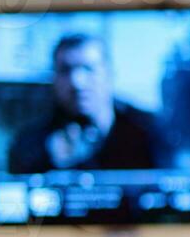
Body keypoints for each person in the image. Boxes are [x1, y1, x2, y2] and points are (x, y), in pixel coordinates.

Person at [8, 33, 158, 173]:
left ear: (109, 74)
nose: (77, 82)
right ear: (53, 78)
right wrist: (49, 163)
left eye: (88, 68)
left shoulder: (148, 131)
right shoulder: (31, 144)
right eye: (65, 70)